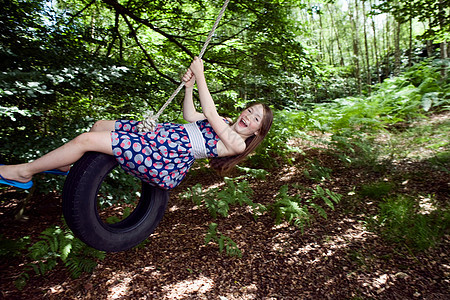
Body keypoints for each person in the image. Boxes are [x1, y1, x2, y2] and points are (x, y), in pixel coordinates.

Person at [0, 57, 273, 190]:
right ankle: (64, 164)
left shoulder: (237, 143)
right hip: (161, 135)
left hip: (165, 156)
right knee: (99, 126)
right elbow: (191, 117)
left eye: (256, 118)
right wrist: (189, 87)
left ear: (258, 131)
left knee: (85, 140)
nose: (248, 116)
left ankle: (24, 172)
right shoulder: (226, 121)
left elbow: (210, 115)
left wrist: (201, 76)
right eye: (250, 110)